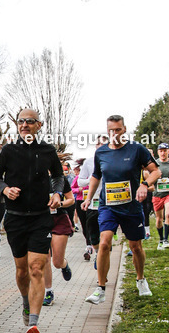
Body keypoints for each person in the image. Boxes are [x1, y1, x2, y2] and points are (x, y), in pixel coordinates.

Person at [0, 109, 65, 333]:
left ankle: (33, 324)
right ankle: (25, 300)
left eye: (29, 121)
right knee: (22, 270)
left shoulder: (48, 150)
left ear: (38, 125)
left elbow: (59, 176)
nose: (24, 125)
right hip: (15, 218)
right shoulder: (8, 150)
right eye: (21, 121)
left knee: (36, 268)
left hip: (41, 218)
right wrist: (5, 189)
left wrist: (57, 193)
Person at [82, 116, 159, 303]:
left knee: (136, 247)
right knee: (104, 242)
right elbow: (96, 176)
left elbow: (156, 171)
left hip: (131, 207)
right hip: (108, 206)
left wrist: (144, 184)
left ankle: (141, 279)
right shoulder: (101, 152)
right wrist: (88, 198)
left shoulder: (136, 149)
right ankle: (100, 288)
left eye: (118, 130)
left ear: (124, 129)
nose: (114, 134)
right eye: (111, 130)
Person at [43, 179, 75, 306]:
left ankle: (64, 264)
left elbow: (71, 199)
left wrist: (60, 204)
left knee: (56, 262)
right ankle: (48, 292)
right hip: (42, 221)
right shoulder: (34, 177)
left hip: (59, 220)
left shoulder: (60, 179)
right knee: (45, 258)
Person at [78, 135, 108, 267]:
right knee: (93, 234)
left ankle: (103, 257)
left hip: (109, 202)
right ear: (96, 146)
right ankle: (97, 252)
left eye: (104, 144)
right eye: (99, 144)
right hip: (93, 203)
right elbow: (80, 181)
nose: (101, 146)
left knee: (106, 235)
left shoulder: (113, 161)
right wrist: (91, 179)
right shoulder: (89, 162)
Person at [150, 142, 169, 249]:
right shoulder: (154, 164)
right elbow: (149, 176)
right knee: (159, 219)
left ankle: (166, 240)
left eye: (165, 151)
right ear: (158, 152)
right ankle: (161, 240)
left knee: (168, 214)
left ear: (168, 151)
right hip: (157, 194)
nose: (163, 153)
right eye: (161, 151)